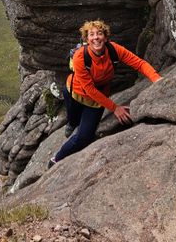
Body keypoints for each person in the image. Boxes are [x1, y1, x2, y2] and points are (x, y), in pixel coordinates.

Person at [48, 19, 161, 168]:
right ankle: (72, 123)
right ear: (87, 40)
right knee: (73, 119)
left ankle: (56, 159)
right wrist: (115, 108)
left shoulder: (113, 50)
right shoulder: (80, 57)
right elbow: (89, 89)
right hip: (73, 93)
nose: (96, 37)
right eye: (91, 35)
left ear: (106, 37)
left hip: (95, 101)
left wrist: (157, 79)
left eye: (99, 33)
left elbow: (139, 63)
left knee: (85, 137)